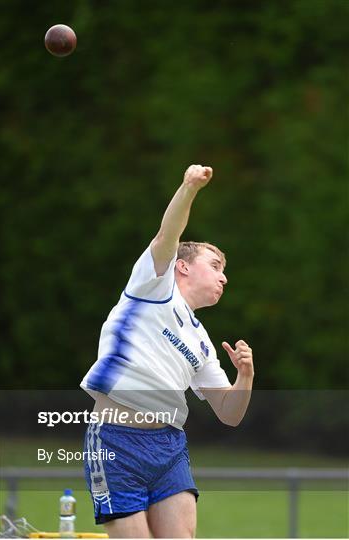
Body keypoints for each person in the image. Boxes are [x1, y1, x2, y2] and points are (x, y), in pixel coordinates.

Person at [80, 164, 254, 538]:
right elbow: (168, 233)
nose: (224, 277)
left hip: (169, 447)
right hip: (115, 439)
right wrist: (189, 187)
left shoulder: (203, 342)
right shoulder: (154, 286)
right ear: (182, 267)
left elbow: (229, 413)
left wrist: (245, 377)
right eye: (216, 265)